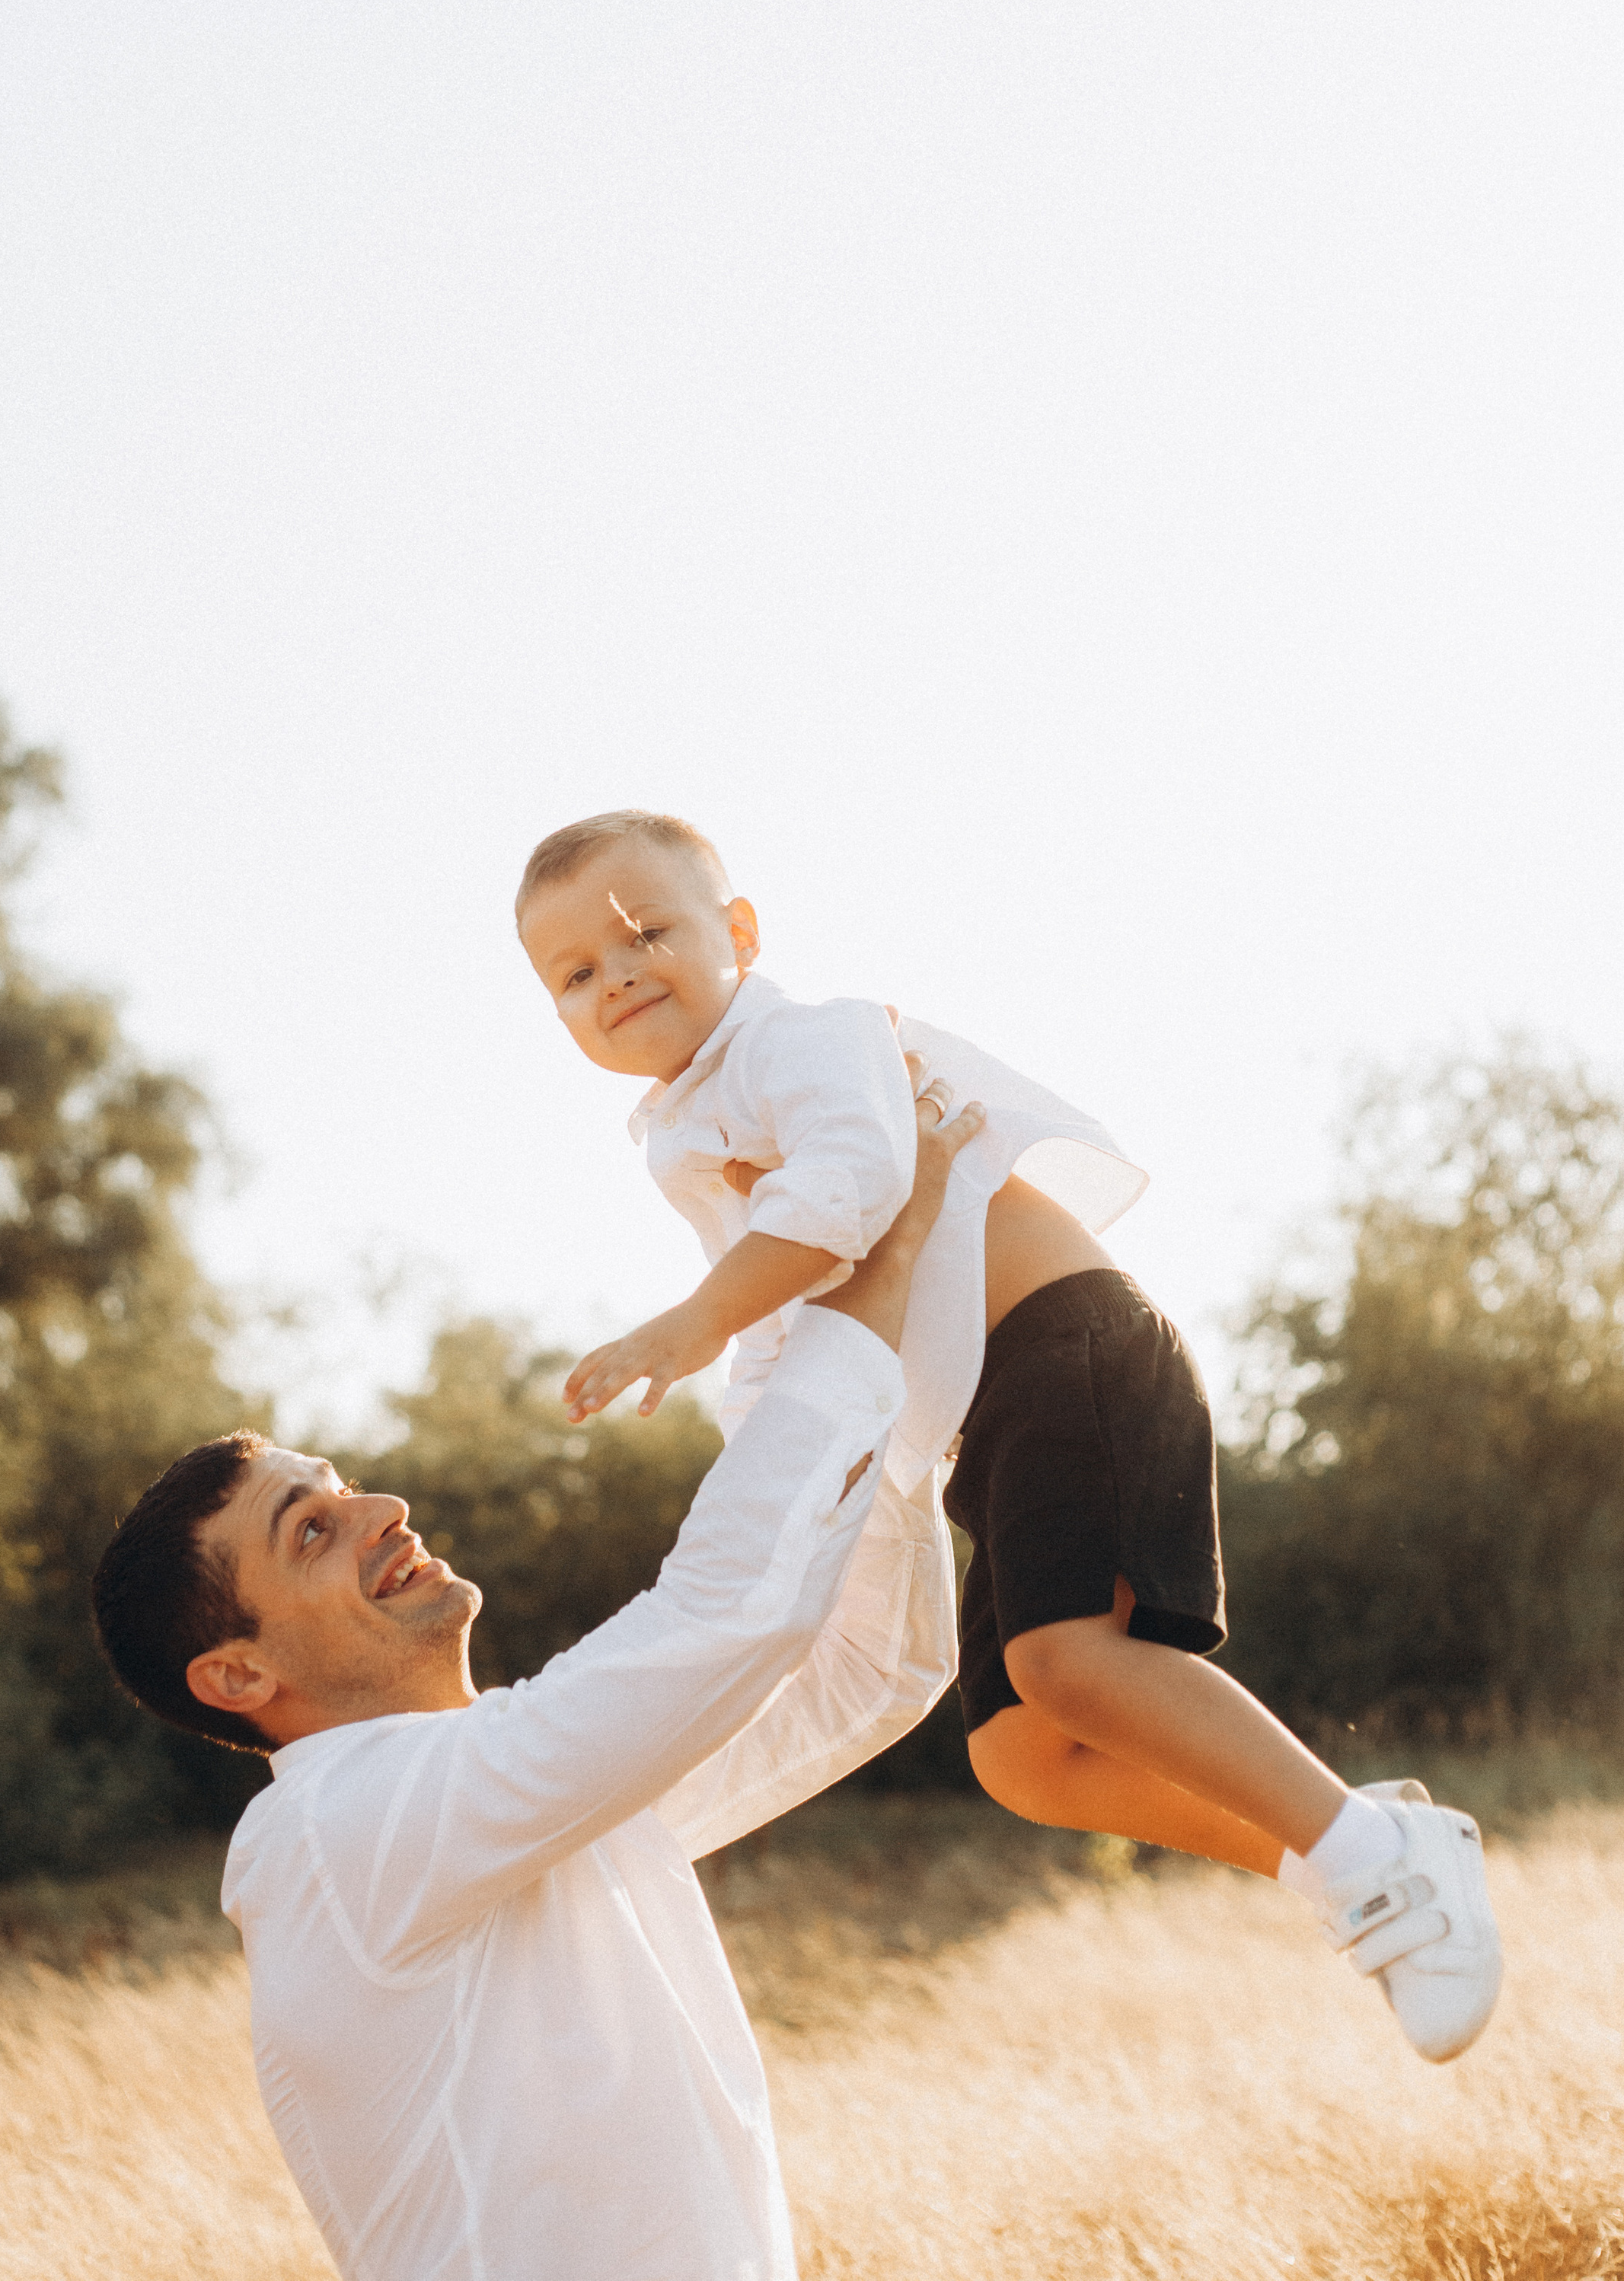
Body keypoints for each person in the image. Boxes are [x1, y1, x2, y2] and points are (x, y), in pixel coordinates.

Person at [516, 808, 1503, 2064]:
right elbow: (794, 1330)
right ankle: (1337, 1840)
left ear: (740, 935)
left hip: (1065, 1339)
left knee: (1065, 1663)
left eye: (646, 933)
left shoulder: (805, 1041)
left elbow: (861, 1180)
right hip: (988, 1421)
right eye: (578, 975)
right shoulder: (683, 1128)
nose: (621, 977)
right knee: (1028, 1758)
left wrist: (692, 1323)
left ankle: (1385, 1864)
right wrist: (769, 1478)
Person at [90, 1071, 978, 2281]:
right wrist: (884, 1244)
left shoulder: (509, 1809)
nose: (383, 1512)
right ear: (238, 1673)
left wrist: (795, 1295)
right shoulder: (341, 1836)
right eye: (312, 1530)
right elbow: (723, 1618)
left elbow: (869, 1668)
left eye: (350, 1489)